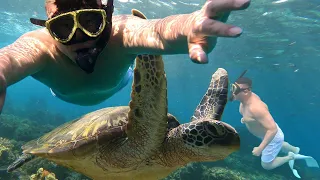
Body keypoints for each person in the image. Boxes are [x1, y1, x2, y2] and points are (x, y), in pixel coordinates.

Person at [0, 0, 250, 112]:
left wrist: (189, 26)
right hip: (64, 95)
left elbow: (159, 32)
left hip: (121, 81)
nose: (81, 38)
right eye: (63, 28)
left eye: (91, 22)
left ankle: (143, 58)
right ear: (48, 29)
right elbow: (9, 58)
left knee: (140, 48)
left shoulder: (122, 32)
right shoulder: (39, 47)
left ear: (108, 17)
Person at [229, 72, 319, 178]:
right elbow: (260, 117)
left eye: (235, 89)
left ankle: (290, 157)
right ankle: (294, 149)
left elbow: (272, 130)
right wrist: (249, 120)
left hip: (272, 135)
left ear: (246, 91)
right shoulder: (247, 99)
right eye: (232, 87)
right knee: (280, 141)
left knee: (266, 165)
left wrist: (260, 148)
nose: (232, 92)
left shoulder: (256, 107)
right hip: (265, 133)